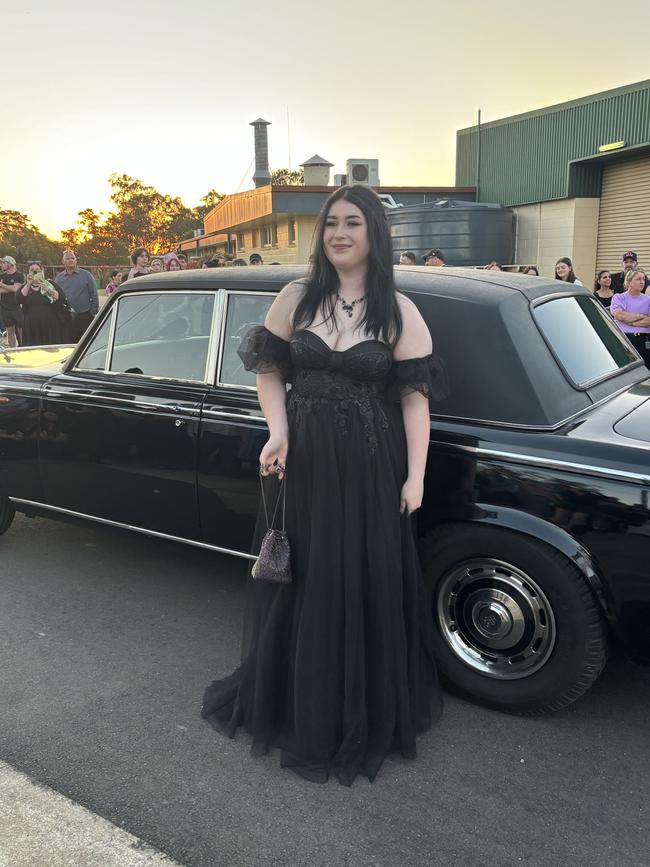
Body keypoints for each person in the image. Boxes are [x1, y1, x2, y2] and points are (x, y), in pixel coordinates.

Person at [202, 184, 446, 786]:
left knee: (354, 575)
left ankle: (351, 706)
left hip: (368, 467)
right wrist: (277, 432)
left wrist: (415, 476)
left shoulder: (399, 311)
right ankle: (293, 697)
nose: (339, 232)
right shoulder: (294, 297)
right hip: (303, 461)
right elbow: (269, 373)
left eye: (353, 223)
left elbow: (416, 402)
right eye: (331, 222)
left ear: (373, 234)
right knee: (301, 572)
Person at [54, 250, 99, 342]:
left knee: (87, 344)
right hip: (67, 318)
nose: (71, 260)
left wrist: (92, 312)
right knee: (69, 345)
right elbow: (56, 297)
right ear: (63, 262)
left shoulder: (86, 275)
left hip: (85, 316)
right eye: (68, 258)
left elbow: (94, 294)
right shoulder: (59, 278)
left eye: (72, 258)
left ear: (76, 260)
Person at [610, 269, 650, 369]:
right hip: (624, 340)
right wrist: (641, 316)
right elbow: (619, 315)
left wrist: (631, 323)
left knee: (645, 369)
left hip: (644, 340)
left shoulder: (648, 299)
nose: (642, 282)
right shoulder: (619, 297)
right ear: (629, 281)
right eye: (638, 279)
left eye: (643, 279)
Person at [20, 263, 67, 346]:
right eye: (31, 270)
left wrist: (47, 288)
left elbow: (61, 298)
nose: (34, 271)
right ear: (28, 272)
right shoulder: (25, 287)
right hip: (32, 326)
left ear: (41, 271)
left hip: (50, 324)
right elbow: (19, 299)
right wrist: (28, 284)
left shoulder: (49, 284)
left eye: (37, 270)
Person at [0, 255, 25, 347]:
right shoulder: (1, 276)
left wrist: (2, 285)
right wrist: (9, 288)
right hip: (5, 307)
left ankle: (24, 348)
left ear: (10, 264)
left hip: (17, 307)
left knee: (21, 330)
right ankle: (12, 351)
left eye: (3, 263)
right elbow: (12, 288)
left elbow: (16, 289)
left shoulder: (19, 275)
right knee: (10, 331)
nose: (1, 265)